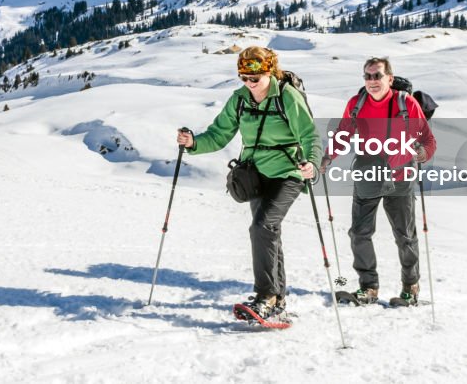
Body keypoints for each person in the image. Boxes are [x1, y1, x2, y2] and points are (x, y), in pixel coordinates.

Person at [176, 46, 320, 320]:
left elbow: (310, 135)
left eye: (254, 78)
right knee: (268, 232)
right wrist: (193, 143)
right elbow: (219, 134)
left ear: (269, 72)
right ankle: (277, 301)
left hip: (288, 172)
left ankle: (265, 296)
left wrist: (311, 162)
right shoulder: (240, 100)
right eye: (243, 77)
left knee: (262, 226)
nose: (249, 83)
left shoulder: (287, 97)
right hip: (254, 175)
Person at [323, 57, 436, 307]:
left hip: (400, 176)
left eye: (377, 76)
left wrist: (423, 153)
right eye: (368, 76)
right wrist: (328, 157)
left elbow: (427, 138)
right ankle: (368, 288)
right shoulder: (356, 103)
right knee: (359, 233)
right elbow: (344, 133)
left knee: (405, 235)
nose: (372, 81)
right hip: (367, 174)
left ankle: (410, 287)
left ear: (390, 79)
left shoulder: (405, 103)